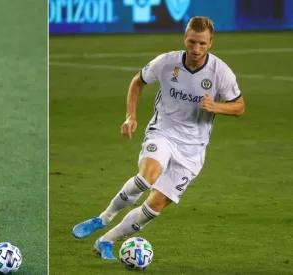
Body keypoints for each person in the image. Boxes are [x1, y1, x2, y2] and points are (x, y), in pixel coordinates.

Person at [72, 16, 245, 259]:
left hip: (193, 150)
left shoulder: (220, 72)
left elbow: (239, 107)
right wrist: (130, 117)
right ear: (185, 38)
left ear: (211, 43)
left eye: (202, 44)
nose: (196, 49)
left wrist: (217, 107)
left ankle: (105, 241)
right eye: (192, 42)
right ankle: (103, 218)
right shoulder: (167, 62)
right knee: (147, 177)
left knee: (155, 205)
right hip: (163, 132)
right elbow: (137, 82)